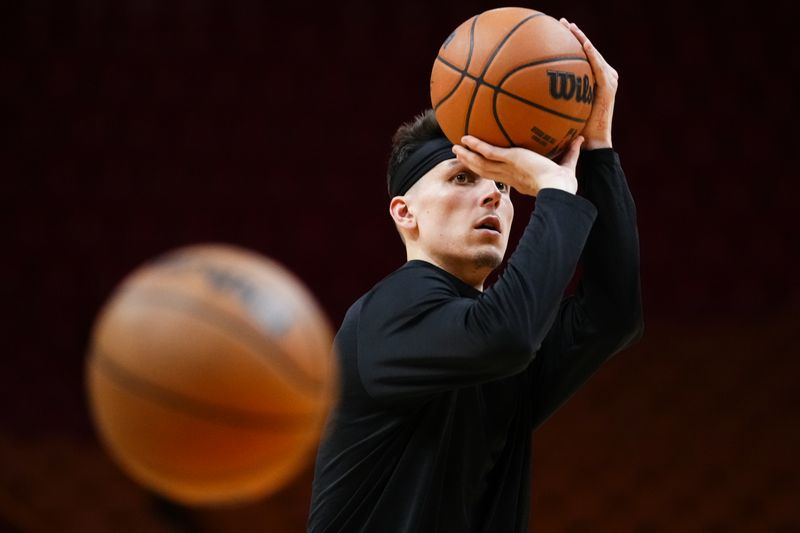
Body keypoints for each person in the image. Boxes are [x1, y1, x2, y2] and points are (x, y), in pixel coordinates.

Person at [308, 19, 642, 533]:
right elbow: (505, 336)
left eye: (506, 187)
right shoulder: (391, 310)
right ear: (404, 213)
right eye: (462, 177)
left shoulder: (493, 339)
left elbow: (612, 314)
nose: (493, 195)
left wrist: (597, 149)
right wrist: (554, 191)